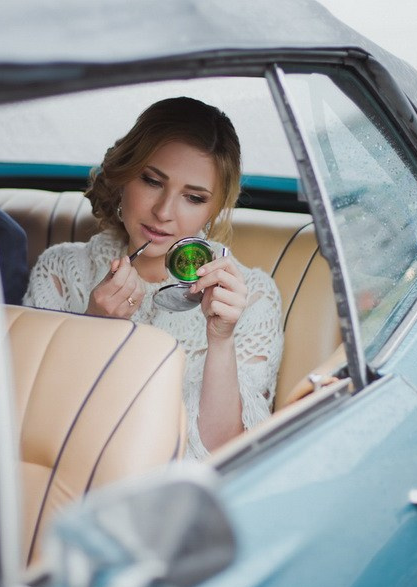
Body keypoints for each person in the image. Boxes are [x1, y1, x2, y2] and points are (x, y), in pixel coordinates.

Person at [23, 97, 283, 459]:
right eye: (151, 181)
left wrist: (220, 339)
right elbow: (29, 422)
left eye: (193, 197)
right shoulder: (60, 272)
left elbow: (224, 454)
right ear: (124, 176)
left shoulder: (250, 296)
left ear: (213, 210)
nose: (163, 212)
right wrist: (94, 329)